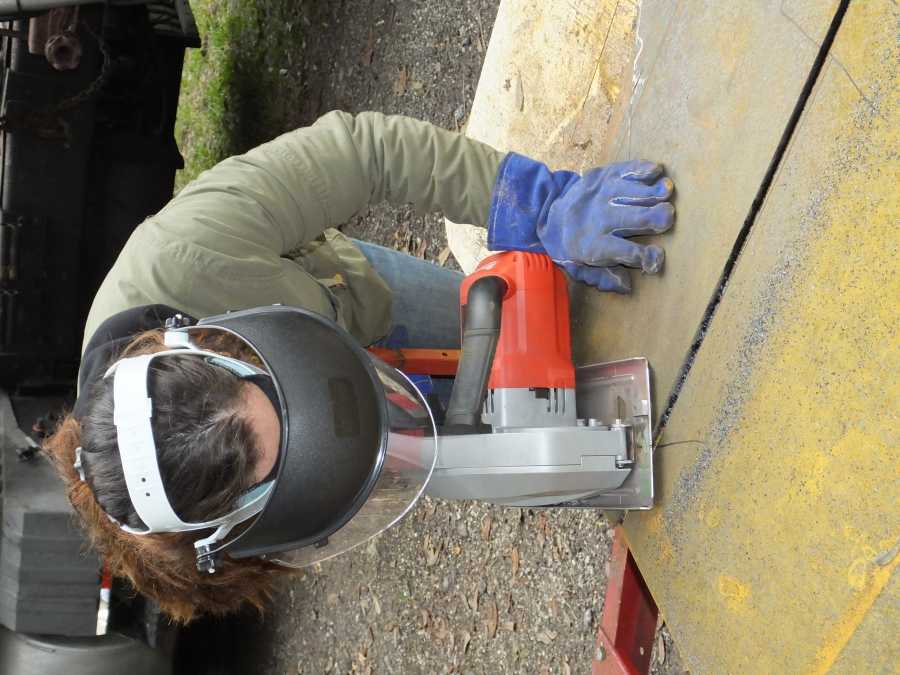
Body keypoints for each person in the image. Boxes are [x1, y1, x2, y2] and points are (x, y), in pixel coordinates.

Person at [44, 111, 676, 621]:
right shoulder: (183, 550)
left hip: (343, 301)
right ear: (237, 520)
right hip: (314, 440)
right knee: (502, 444)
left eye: (270, 394)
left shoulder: (189, 249)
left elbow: (362, 155)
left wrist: (540, 207)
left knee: (557, 329)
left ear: (210, 344)